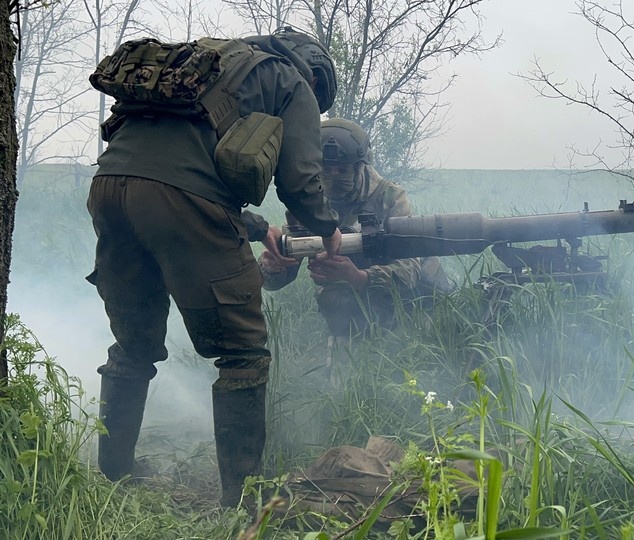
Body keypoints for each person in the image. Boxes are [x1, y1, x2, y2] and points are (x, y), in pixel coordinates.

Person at [85, 28, 342, 507]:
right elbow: (299, 180)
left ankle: (114, 472)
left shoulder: (210, 61)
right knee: (243, 352)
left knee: (133, 343)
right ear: (315, 74)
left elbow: (176, 163)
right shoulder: (292, 81)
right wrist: (328, 229)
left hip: (109, 187)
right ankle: (242, 503)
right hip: (182, 198)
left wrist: (255, 227)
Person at [255, 118, 452, 338]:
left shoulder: (390, 197)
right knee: (333, 297)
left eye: (342, 169)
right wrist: (272, 268)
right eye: (327, 169)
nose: (334, 176)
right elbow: (282, 270)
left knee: (426, 329)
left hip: (416, 293)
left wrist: (359, 277)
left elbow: (410, 268)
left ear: (360, 166)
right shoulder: (310, 204)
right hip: (352, 290)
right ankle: (355, 342)